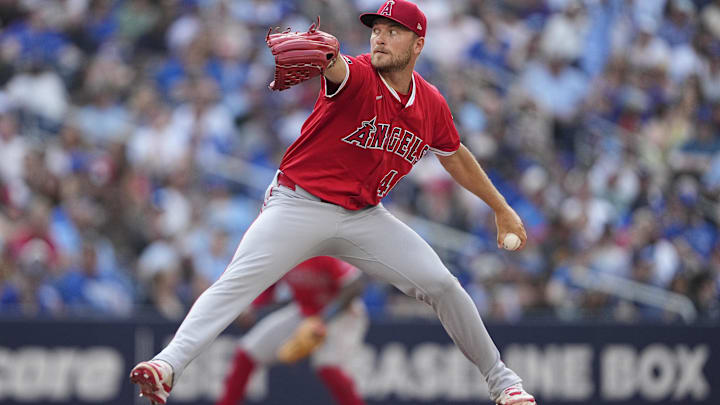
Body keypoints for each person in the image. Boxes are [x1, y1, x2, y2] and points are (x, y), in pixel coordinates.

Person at [130, 1, 536, 404]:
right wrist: (327, 57)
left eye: (393, 31)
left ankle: (504, 383)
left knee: (443, 285)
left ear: (418, 44)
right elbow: (335, 66)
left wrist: (501, 208)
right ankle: (167, 365)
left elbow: (455, 154)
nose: (379, 36)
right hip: (299, 204)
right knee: (237, 283)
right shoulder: (357, 75)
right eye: (376, 29)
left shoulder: (430, 104)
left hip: (365, 217)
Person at [216, 256, 367, 405]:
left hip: (343, 314)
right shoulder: (284, 252)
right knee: (247, 352)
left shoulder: (323, 249)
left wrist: (324, 320)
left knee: (328, 365)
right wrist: (251, 307)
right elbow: (269, 287)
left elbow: (354, 286)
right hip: (305, 312)